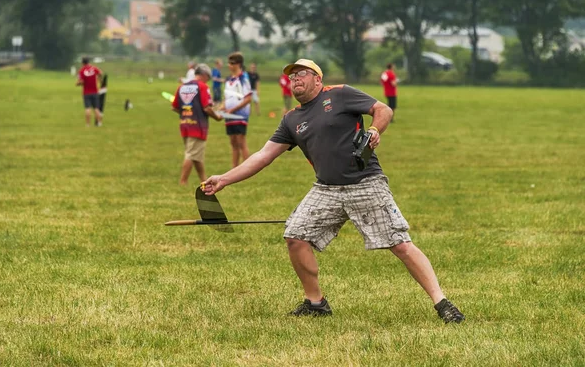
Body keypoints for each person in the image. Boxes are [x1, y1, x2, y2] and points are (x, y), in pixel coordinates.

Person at [202, 58, 465, 324]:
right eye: (292, 77)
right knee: (295, 236)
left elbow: (382, 109)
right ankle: (315, 303)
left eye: (302, 74)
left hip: (366, 183)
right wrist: (224, 179)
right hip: (326, 189)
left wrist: (374, 129)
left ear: (318, 79)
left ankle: (442, 302)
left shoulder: (340, 94)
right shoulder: (291, 119)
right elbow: (263, 155)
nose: (295, 80)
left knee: (400, 244)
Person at [171, 63, 223, 185]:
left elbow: (175, 107)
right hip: (198, 126)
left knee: (196, 155)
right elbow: (207, 108)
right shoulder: (202, 87)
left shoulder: (182, 87)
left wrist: (185, 113)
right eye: (208, 78)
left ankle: (204, 181)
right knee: (191, 154)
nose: (208, 81)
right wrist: (217, 117)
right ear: (204, 75)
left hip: (185, 124)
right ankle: (183, 182)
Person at [222, 52, 252, 168]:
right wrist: (221, 109)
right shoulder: (228, 79)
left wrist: (233, 109)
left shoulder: (243, 78)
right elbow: (227, 98)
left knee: (241, 142)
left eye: (232, 63)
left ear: (238, 64)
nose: (229, 65)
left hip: (240, 115)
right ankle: (234, 169)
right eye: (229, 63)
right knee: (233, 142)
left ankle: (248, 169)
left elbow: (248, 98)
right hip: (229, 115)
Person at [76, 57, 104, 127]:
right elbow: (100, 72)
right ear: (88, 62)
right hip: (95, 91)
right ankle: (99, 123)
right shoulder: (94, 68)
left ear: (82, 63)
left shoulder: (81, 71)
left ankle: (88, 124)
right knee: (96, 108)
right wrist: (99, 79)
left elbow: (81, 81)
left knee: (88, 108)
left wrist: (77, 84)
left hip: (86, 92)